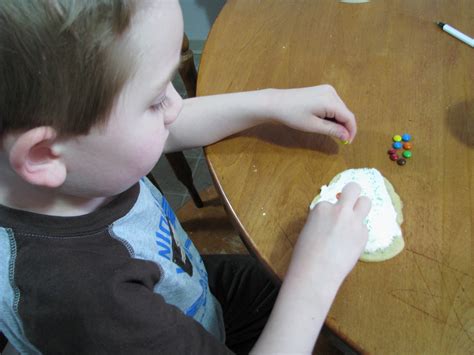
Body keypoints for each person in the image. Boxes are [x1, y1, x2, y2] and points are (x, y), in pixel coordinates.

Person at [0, 0, 371, 354]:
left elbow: (163, 130)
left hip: (189, 290)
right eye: (157, 98)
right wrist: (315, 277)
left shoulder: (74, 161)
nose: (176, 104)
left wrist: (272, 103)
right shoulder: (94, 305)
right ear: (44, 154)